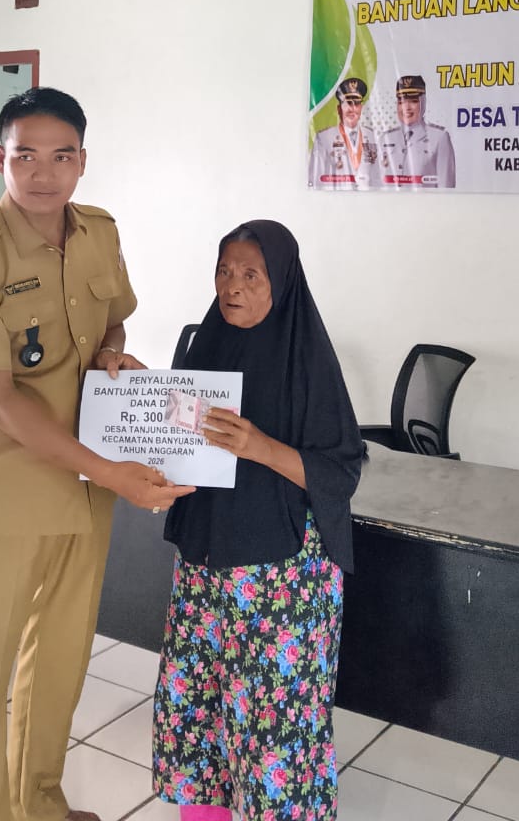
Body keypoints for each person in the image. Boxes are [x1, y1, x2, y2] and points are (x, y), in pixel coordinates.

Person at [0, 86, 193, 821]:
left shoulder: (99, 233)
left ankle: (38, 804)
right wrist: (108, 470)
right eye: (26, 157)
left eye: (61, 156)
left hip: (83, 498)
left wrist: (111, 356)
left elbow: (112, 325)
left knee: (58, 669)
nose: (43, 173)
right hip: (2, 501)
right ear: (0, 159)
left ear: (82, 161)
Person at [152, 220, 364, 821]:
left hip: (282, 577)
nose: (233, 287)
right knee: (199, 708)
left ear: (282, 282)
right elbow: (175, 435)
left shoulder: (307, 362)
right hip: (206, 565)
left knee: (273, 728)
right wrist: (136, 384)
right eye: (224, 271)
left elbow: (340, 473)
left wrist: (259, 446)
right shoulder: (206, 347)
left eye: (251, 275)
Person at [380, 74, 456, 188]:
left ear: (423, 102)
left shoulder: (439, 138)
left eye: (413, 101)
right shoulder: (385, 138)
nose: (406, 107)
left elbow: (446, 187)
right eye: (401, 102)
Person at [308, 75, 380, 189]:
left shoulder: (372, 136)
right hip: (337, 197)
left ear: (361, 108)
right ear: (339, 108)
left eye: (356, 103)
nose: (352, 109)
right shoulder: (324, 138)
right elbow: (315, 180)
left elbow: (378, 178)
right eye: (348, 103)